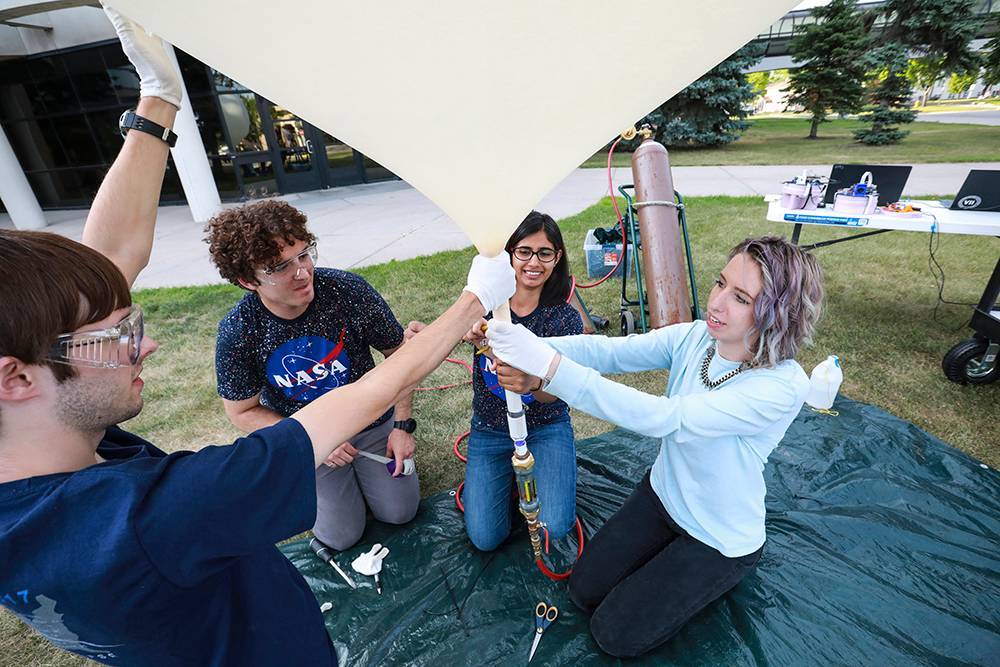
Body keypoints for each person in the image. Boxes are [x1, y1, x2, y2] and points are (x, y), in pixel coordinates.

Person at [0, 8, 515, 666]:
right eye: (120, 334)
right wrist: (474, 299)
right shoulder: (154, 516)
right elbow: (346, 402)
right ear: (16, 376)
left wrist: (158, 101)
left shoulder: (40, 456)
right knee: (340, 530)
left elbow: (106, 264)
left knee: (396, 505)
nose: (146, 346)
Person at [487, 236, 824, 657]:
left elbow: (667, 418)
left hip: (717, 536)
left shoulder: (781, 386)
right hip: (663, 496)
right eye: (720, 283)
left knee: (614, 634)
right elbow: (609, 352)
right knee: (582, 590)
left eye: (741, 298)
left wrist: (549, 368)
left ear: (779, 313)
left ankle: (718, 576)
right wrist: (519, 340)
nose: (717, 303)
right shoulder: (697, 337)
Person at [206, 199, 419, 551]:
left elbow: (401, 355)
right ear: (247, 280)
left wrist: (402, 426)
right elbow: (241, 411)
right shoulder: (239, 330)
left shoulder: (347, 291)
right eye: (280, 267)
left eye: (304, 255)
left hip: (372, 420)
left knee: (400, 512)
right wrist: (306, 440)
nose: (303, 273)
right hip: (307, 434)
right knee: (340, 536)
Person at [460, 212, 583, 551]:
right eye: (524, 251)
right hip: (490, 428)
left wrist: (531, 383)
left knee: (554, 527)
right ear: (510, 254)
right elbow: (446, 336)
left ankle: (537, 473)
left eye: (545, 253)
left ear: (557, 258)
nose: (534, 262)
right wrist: (469, 333)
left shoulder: (564, 320)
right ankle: (505, 481)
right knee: (485, 538)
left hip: (545, 426)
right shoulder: (485, 306)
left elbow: (556, 395)